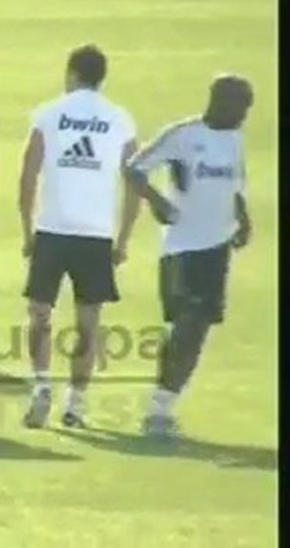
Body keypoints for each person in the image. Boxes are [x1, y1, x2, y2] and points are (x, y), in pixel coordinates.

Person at [18, 45, 140, 429]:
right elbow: (135, 180)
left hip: (52, 230)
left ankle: (40, 387)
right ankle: (76, 403)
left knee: (39, 314)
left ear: (71, 73)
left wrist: (26, 229)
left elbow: (28, 175)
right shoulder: (120, 118)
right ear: (102, 77)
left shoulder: (49, 113)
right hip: (95, 233)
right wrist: (123, 238)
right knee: (89, 320)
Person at [126, 75, 253, 438]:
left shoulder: (234, 139)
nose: (244, 115)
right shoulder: (183, 136)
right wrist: (157, 201)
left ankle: (162, 405)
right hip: (183, 245)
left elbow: (235, 184)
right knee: (189, 324)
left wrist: (242, 218)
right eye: (240, 106)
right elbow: (134, 169)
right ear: (219, 101)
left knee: (193, 329)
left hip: (217, 247)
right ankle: (159, 410)